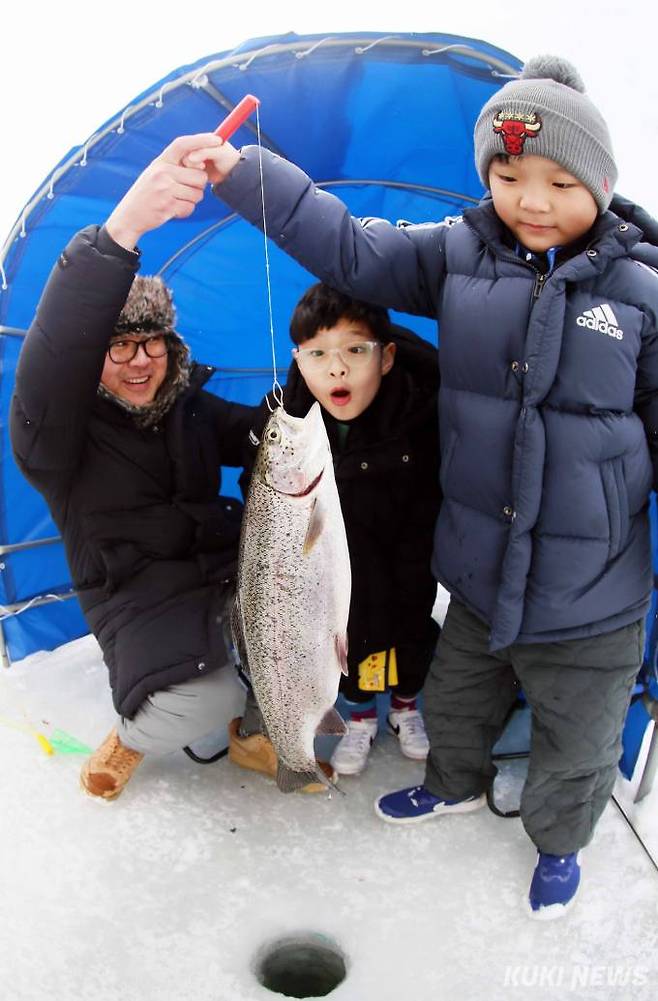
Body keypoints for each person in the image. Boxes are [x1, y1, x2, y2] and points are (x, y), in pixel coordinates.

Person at [198, 55, 658, 917]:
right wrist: (247, 173)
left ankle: (560, 844)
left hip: (595, 596)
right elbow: (351, 248)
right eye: (510, 174)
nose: (532, 200)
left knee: (579, 741)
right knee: (453, 703)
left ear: (600, 180)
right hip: (481, 577)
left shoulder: (643, 292)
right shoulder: (456, 256)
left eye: (561, 181)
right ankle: (449, 783)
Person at [9, 136, 331, 800]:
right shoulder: (57, 436)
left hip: (224, 575)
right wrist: (120, 231)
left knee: (303, 642)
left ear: (169, 343)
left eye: (149, 340)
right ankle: (131, 736)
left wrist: (307, 388)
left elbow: (252, 434)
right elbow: (54, 354)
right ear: (90, 358)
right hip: (138, 601)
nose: (137, 359)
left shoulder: (185, 402)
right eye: (116, 345)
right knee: (200, 700)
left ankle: (255, 734)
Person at [242, 283, 440, 775]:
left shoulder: (426, 409)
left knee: (410, 643)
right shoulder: (286, 417)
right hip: (332, 576)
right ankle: (358, 719)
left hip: (411, 561)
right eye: (317, 354)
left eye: (355, 350)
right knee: (347, 648)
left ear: (387, 357)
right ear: (298, 359)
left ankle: (405, 708)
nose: (337, 368)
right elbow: (262, 490)